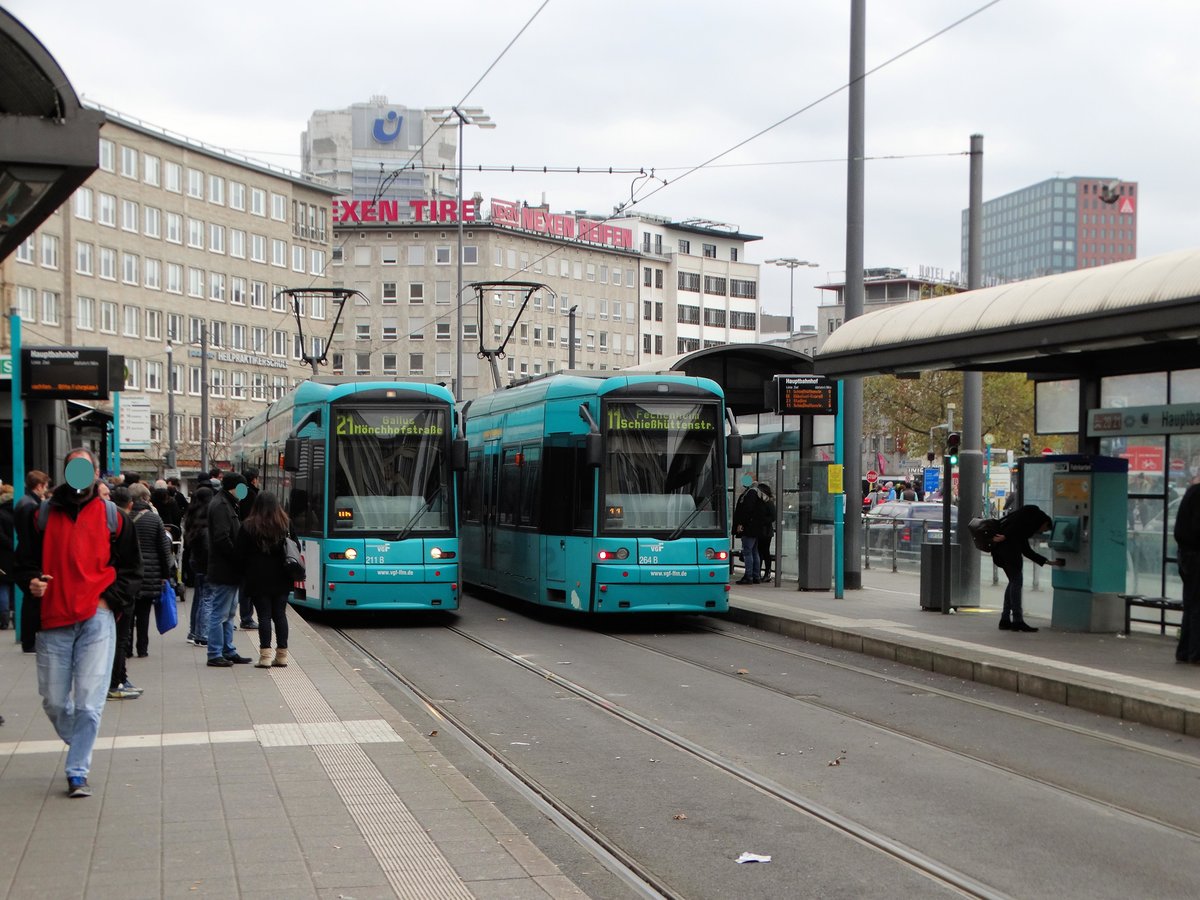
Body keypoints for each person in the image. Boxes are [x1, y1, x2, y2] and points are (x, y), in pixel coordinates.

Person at [15, 447, 142, 798]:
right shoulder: (40, 515)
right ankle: (80, 743)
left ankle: (77, 771)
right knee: (54, 701)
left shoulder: (113, 517)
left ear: (95, 473)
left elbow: (133, 569)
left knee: (89, 703)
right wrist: (31, 581)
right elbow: (22, 562)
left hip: (96, 619)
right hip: (53, 619)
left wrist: (109, 600)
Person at [235, 492, 294, 668]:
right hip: (282, 576)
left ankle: (265, 656)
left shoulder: (248, 525)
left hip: (257, 577)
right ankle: (282, 655)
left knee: (264, 617)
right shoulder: (285, 524)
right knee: (280, 615)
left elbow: (239, 553)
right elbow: (295, 546)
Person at [990, 504, 1065, 632]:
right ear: (1044, 522)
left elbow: (1027, 551)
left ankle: (1005, 619)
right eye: (1045, 528)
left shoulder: (1024, 530)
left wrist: (1049, 562)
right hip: (1008, 553)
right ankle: (1017, 620)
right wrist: (1005, 536)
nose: (1041, 531)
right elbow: (1016, 523)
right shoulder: (1031, 512)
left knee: (1013, 582)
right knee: (1016, 582)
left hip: (1002, 553)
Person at [206, 474, 251, 667]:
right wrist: (238, 557)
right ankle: (215, 652)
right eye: (242, 488)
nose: (245, 492)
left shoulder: (228, 503)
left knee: (230, 612)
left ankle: (228, 649)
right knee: (220, 612)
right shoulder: (222, 506)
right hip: (225, 568)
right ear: (234, 487)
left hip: (228, 569)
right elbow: (222, 538)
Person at [128, 483, 174, 659]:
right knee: (144, 612)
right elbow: (164, 549)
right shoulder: (155, 519)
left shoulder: (124, 516)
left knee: (129, 613)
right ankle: (142, 648)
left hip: (129, 571)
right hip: (150, 571)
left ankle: (126, 648)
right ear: (145, 498)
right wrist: (165, 575)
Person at [107, 486, 143, 700]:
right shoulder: (119, 520)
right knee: (120, 639)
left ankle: (120, 678)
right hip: (118, 593)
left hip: (117, 591)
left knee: (121, 638)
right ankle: (115, 682)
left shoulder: (118, 520)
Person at [1173, 474, 1200, 663]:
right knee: (1198, 606)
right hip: (1197, 556)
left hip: (1186, 556)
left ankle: (1185, 651)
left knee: (1191, 604)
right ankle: (1196, 654)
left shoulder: (1191, 492)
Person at [183, 486, 214, 646]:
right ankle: (202, 635)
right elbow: (208, 546)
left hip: (195, 561)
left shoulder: (191, 517)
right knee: (207, 598)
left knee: (200, 597)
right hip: (206, 563)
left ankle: (194, 631)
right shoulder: (207, 521)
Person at [236, 467, 261, 629]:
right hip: (249, 545)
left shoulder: (241, 493)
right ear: (253, 479)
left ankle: (246, 616)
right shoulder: (251, 495)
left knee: (244, 583)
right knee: (247, 584)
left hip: (243, 543)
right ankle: (246, 617)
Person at [732, 473, 765, 585]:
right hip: (755, 527)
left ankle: (749, 576)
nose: (744, 480)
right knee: (754, 551)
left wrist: (741, 524)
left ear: (752, 479)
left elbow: (747, 510)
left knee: (747, 551)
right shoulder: (757, 492)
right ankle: (756, 576)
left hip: (749, 527)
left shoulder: (751, 492)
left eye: (746, 478)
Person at [0, 485, 15, 630]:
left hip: (3, 555)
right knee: (15, 587)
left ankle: (4, 620)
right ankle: (17, 620)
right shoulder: (19, 509)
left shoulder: (1, 513)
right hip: (16, 554)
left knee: (3, 586)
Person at [756, 482, 777, 582]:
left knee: (764, 552)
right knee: (760, 552)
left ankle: (767, 572)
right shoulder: (760, 501)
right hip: (761, 530)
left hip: (766, 531)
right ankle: (758, 572)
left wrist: (762, 521)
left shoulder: (768, 502)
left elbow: (773, 517)